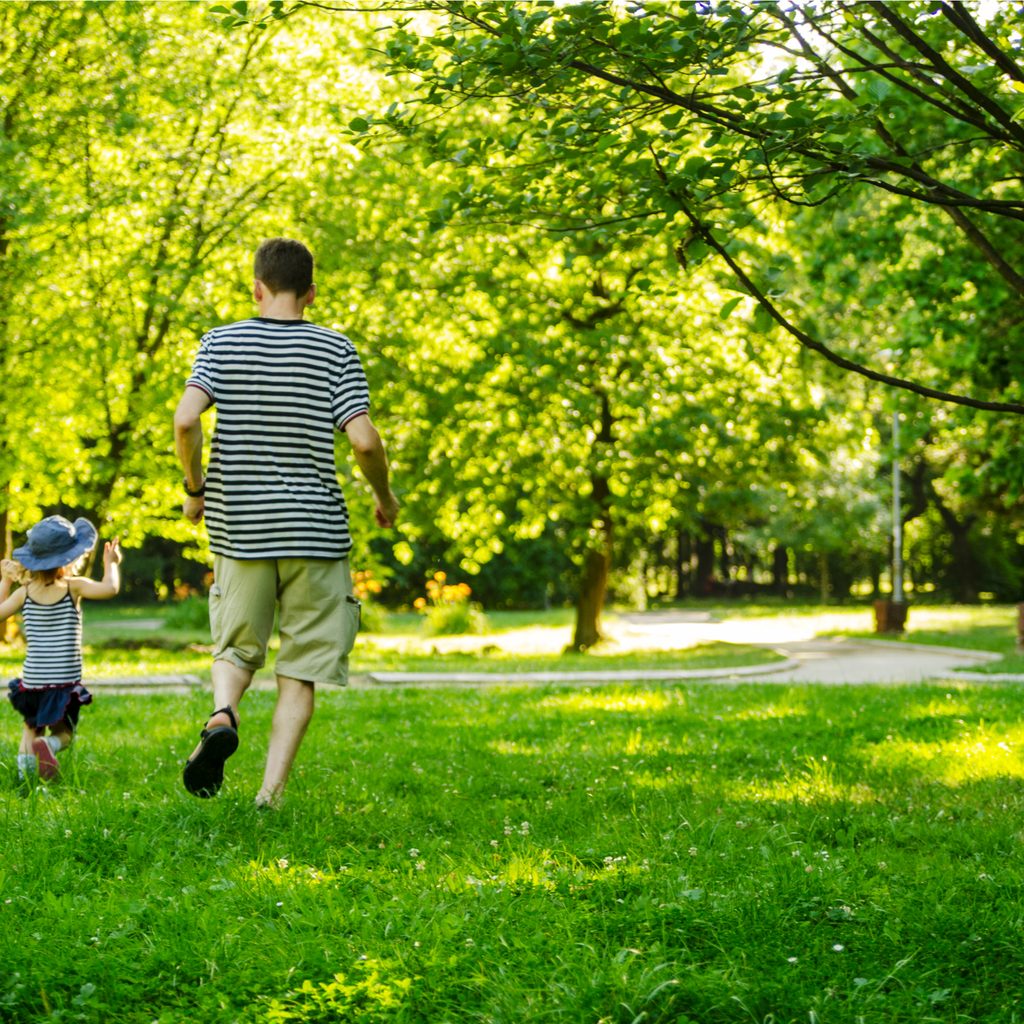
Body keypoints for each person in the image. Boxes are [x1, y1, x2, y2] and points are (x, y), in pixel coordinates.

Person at [174, 237, 398, 807]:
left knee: (234, 651)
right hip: (316, 534)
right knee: (298, 671)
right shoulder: (334, 350)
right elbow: (365, 440)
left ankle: (223, 713)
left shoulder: (220, 343)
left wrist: (195, 490)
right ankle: (268, 796)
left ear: (257, 288)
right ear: (311, 294)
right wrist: (385, 497)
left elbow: (184, 421)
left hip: (241, 529)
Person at [0, 515, 122, 785]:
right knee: (64, 733)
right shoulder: (73, 586)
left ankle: (25, 781)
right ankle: (50, 745)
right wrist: (110, 564)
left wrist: (6, 582)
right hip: (63, 680)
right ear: (69, 558)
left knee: (29, 728)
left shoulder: (24, 593)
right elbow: (110, 589)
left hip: (33, 680)